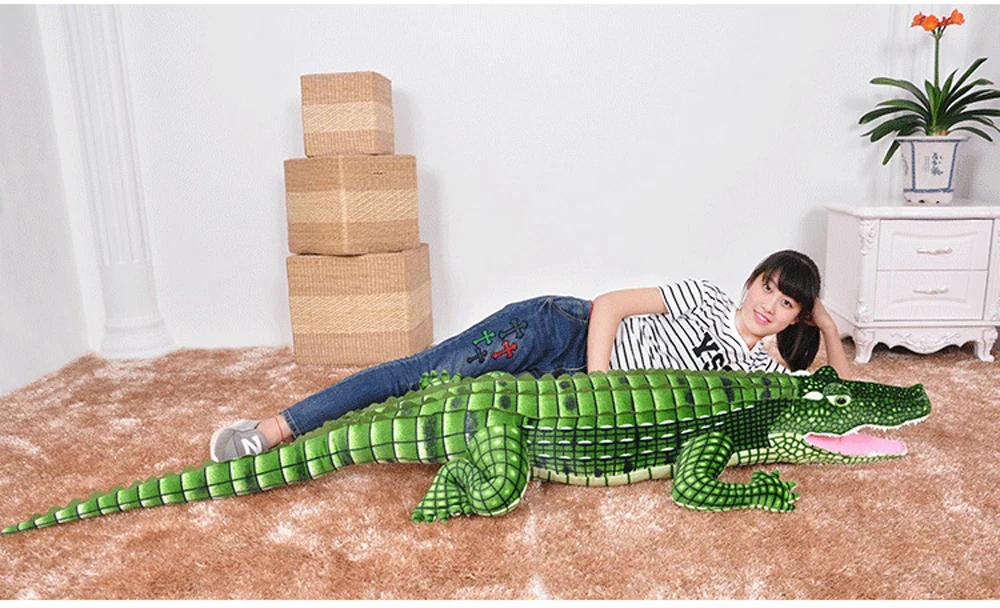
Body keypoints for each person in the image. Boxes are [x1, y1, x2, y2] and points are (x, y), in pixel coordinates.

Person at [209, 249, 849, 462]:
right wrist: (601, 382)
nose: (769, 305)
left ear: (795, 317)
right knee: (425, 375)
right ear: (750, 282)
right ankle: (273, 428)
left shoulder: (763, 370)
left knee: (441, 418)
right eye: (768, 287)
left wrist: (824, 320)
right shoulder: (705, 296)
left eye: (787, 304)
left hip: (563, 397)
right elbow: (609, 305)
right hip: (560, 333)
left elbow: (846, 391)